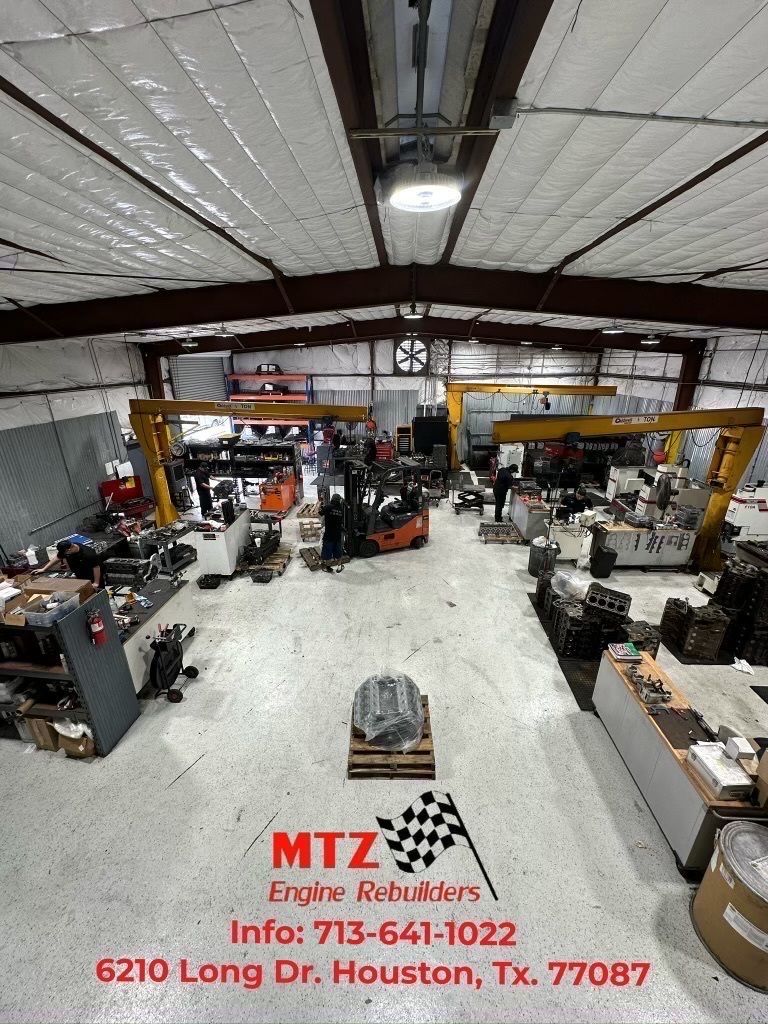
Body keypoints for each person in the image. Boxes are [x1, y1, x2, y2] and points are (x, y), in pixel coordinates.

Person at [35, 540, 103, 588]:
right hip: (80, 575)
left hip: (92, 576)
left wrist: (96, 583)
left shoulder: (88, 554)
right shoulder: (67, 549)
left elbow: (96, 567)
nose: (65, 555)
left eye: (65, 553)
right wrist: (44, 569)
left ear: (69, 550)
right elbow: (58, 557)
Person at [319, 493, 345, 573]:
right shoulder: (340, 510)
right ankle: (340, 566)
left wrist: (321, 504)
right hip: (337, 535)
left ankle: (328, 567)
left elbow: (319, 514)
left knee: (327, 553)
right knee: (338, 552)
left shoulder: (327, 507)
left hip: (328, 535)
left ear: (332, 499)